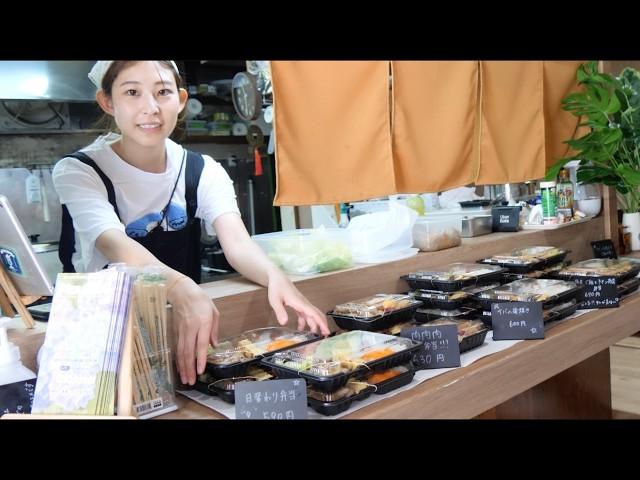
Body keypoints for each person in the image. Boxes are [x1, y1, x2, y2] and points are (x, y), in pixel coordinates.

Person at [52, 61, 330, 385]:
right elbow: (114, 242)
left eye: (163, 92)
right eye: (132, 92)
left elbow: (238, 243)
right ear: (107, 102)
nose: (151, 108)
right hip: (104, 340)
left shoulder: (202, 170)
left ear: (181, 99)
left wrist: (274, 276)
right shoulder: (79, 170)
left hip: (183, 331)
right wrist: (180, 286)